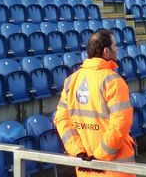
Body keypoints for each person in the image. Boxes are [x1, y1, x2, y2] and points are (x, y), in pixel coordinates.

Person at [54, 29, 135, 176]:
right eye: (114, 46)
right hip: (114, 170)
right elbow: (120, 124)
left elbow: (61, 120)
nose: (117, 49)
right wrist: (99, 157)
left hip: (85, 168)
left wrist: (77, 150)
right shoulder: (113, 81)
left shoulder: (71, 81)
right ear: (106, 51)